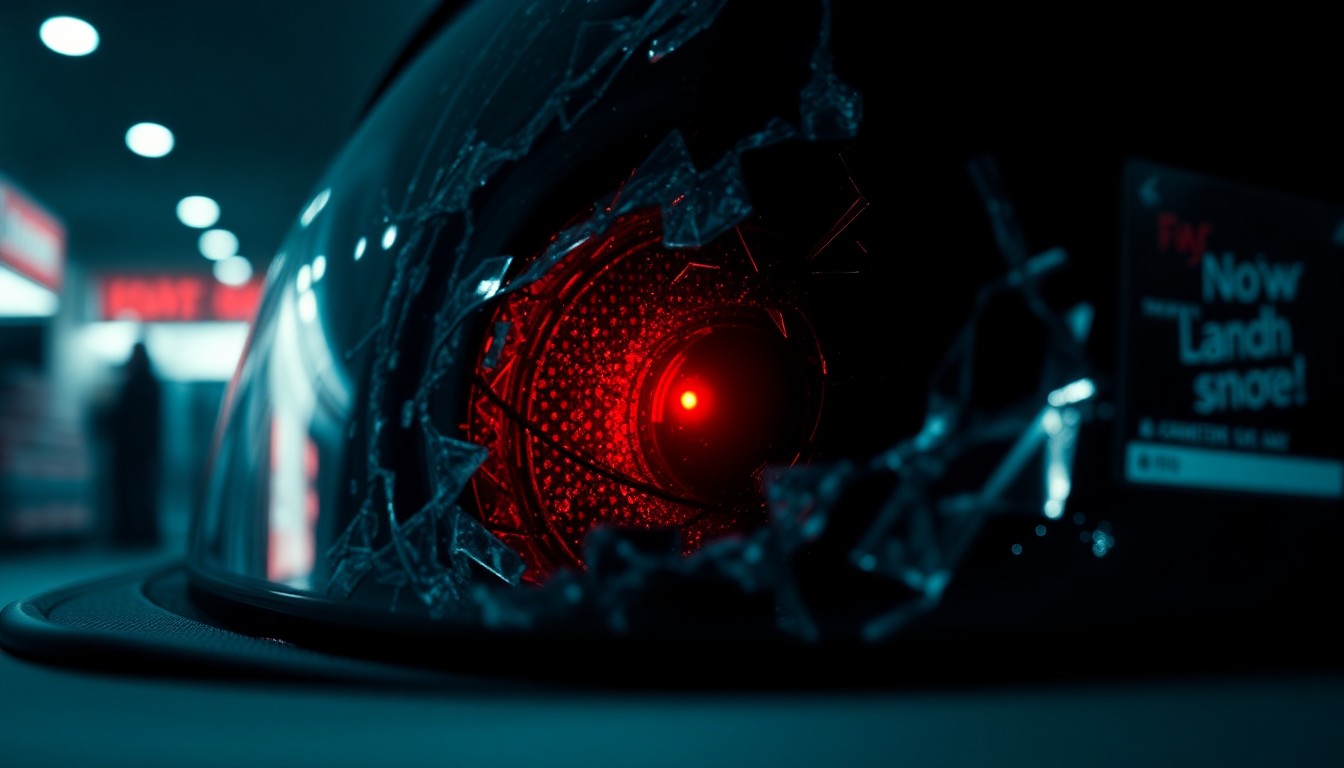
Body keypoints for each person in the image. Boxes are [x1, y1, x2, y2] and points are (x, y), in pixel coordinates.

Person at [104, 341, 162, 548]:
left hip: (131, 450)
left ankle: (131, 534)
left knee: (133, 493)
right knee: (144, 492)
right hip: (144, 450)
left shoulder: (134, 383)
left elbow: (124, 417)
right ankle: (143, 534)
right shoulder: (151, 382)